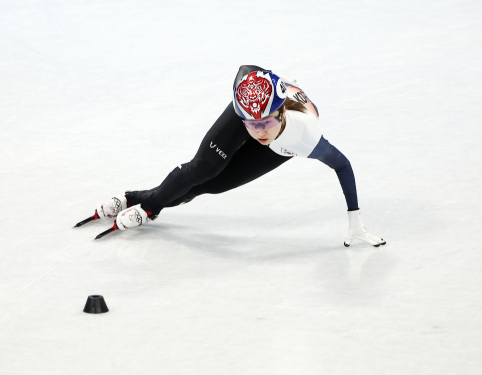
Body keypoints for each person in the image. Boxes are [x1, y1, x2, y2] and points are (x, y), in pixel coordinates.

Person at [87, 65, 385, 247]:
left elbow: (343, 165)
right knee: (203, 167)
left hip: (284, 138)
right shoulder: (250, 107)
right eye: (251, 125)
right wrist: (252, 116)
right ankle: (145, 204)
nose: (258, 132)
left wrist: (354, 220)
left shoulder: (305, 136)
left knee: (211, 185)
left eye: (265, 123)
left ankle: (142, 199)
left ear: (281, 112)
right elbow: (246, 71)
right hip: (257, 103)